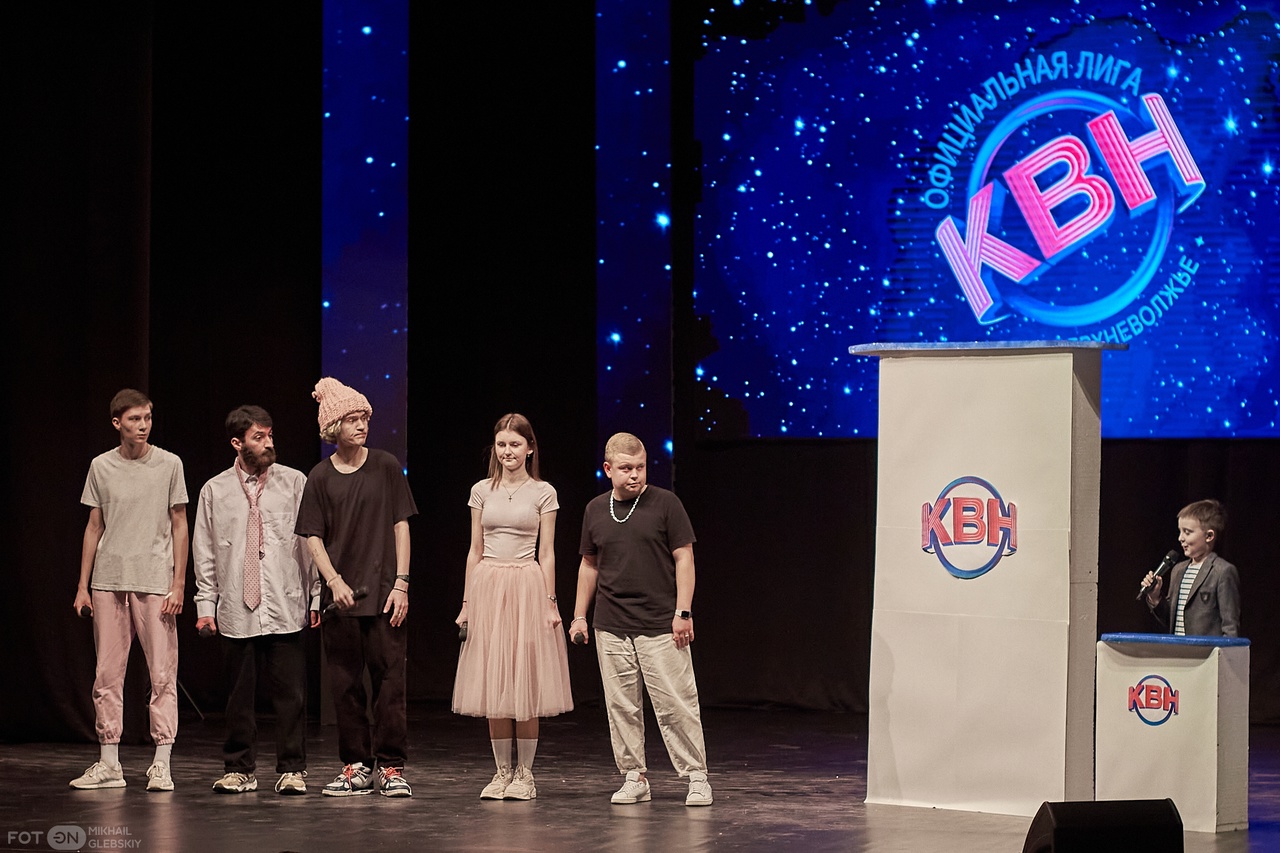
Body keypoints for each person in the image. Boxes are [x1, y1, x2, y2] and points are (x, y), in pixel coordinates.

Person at [572, 432, 713, 806]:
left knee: (676, 703)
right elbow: (589, 565)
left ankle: (696, 776)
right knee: (621, 706)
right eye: (626, 468)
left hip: (660, 623)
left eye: (640, 467)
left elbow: (685, 558)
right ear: (608, 469)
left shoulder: (666, 504)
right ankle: (634, 776)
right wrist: (579, 616)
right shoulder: (595, 510)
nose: (634, 475)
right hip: (611, 623)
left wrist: (683, 612)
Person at [295, 378, 418, 798]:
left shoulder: (385, 466)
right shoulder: (320, 477)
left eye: (364, 417)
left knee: (390, 685)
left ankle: (391, 766)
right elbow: (312, 537)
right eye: (352, 419)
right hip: (341, 600)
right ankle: (356, 766)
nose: (362, 424)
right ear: (334, 427)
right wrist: (333, 581)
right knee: (345, 687)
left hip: (385, 596)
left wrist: (402, 583)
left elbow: (401, 525)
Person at [193, 405, 319, 795]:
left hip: (284, 602)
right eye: (258, 437)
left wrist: (316, 596)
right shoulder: (215, 490)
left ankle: (292, 769)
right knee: (238, 697)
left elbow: (310, 544)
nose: (268, 443)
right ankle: (240, 769)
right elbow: (206, 552)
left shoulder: (294, 482)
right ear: (238, 443)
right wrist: (205, 606)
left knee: (291, 695)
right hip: (236, 605)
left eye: (270, 435)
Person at [70, 389, 188, 792]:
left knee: (162, 673)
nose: (143, 425)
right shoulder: (101, 466)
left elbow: (179, 524)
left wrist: (178, 582)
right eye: (135, 419)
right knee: (106, 674)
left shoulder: (169, 464)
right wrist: (82, 586)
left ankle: (161, 763)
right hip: (108, 581)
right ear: (117, 423)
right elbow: (94, 526)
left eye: (148, 418)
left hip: (154, 580)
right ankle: (109, 763)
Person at [452, 414, 573, 801]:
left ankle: (525, 775)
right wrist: (467, 603)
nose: (508, 451)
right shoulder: (481, 491)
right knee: (495, 679)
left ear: (529, 448)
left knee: (525, 679)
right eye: (502, 444)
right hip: (488, 585)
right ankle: (502, 771)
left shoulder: (543, 492)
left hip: (526, 586)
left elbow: (547, 552)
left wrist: (551, 602)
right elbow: (474, 550)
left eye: (515, 445)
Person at [1141, 498, 1241, 637]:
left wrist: (1223, 650)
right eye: (1180, 531)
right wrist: (1155, 597)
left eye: (1187, 532)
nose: (1180, 538)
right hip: (1179, 648)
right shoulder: (1178, 570)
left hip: (1207, 650)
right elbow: (1171, 619)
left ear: (1209, 536)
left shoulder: (1222, 571)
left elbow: (1230, 627)